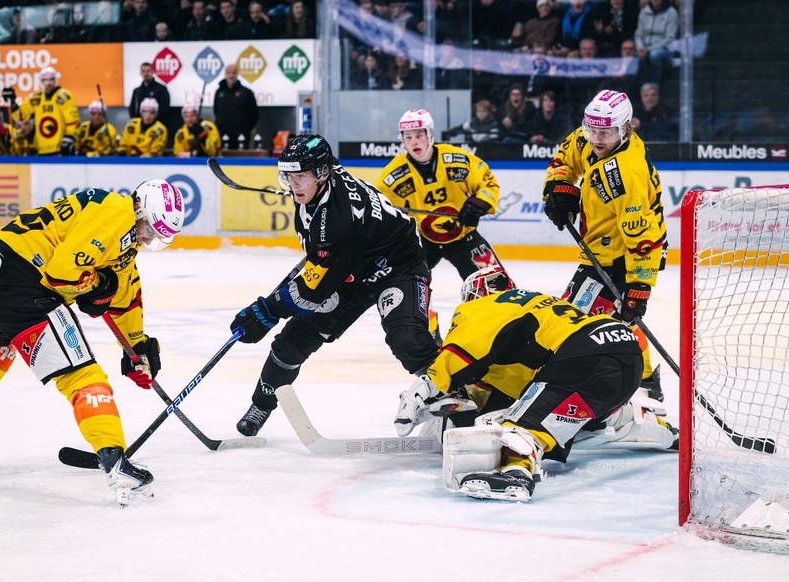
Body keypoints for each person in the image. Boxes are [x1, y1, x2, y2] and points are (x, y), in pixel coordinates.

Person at [0, 180, 185, 497]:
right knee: (82, 373)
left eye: (158, 235)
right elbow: (63, 273)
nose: (148, 237)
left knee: (6, 337)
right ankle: (115, 462)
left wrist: (136, 347)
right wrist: (97, 284)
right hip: (20, 282)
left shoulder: (122, 234)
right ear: (139, 207)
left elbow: (124, 297)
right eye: (149, 227)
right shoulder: (115, 213)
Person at [395, 266, 675, 501]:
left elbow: (461, 352)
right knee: (586, 414)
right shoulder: (534, 304)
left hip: (587, 354)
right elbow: (520, 382)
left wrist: (427, 386)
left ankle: (515, 476)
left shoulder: (486, 306)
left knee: (523, 424)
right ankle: (663, 430)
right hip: (622, 353)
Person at [231, 134, 438, 437]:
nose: (294, 185)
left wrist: (267, 310)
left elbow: (314, 291)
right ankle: (261, 403)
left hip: (398, 267)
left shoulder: (338, 221)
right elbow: (324, 268)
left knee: (408, 340)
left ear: (321, 173)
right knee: (292, 342)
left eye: (300, 177)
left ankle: (450, 395)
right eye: (288, 177)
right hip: (350, 269)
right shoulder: (324, 175)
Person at [542, 89, 667, 401]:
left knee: (583, 319)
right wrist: (559, 185)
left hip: (628, 255)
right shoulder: (592, 133)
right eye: (592, 130)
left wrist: (639, 286)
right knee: (605, 321)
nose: (597, 139)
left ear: (625, 128)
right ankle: (647, 380)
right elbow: (564, 157)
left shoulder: (627, 174)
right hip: (600, 245)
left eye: (606, 132)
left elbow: (643, 240)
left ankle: (643, 384)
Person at [378, 108, 504, 283]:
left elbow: (487, 183)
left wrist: (478, 204)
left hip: (462, 235)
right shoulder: (394, 174)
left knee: (496, 284)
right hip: (420, 241)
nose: (414, 142)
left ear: (430, 135)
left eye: (419, 135)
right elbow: (382, 209)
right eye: (408, 137)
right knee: (403, 285)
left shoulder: (456, 158)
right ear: (402, 140)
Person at [15, 66, 80, 156]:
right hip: (41, 150)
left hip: (60, 149)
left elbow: (73, 121)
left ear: (55, 80)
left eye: (51, 80)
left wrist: (69, 137)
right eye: (45, 80)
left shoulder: (64, 96)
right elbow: (20, 116)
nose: (48, 83)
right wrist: (13, 104)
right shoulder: (36, 98)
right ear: (41, 82)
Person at [213, 64, 259, 149]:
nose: (231, 75)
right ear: (225, 74)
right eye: (229, 73)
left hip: (241, 137)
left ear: (237, 75)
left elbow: (254, 114)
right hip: (222, 135)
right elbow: (216, 111)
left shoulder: (246, 92)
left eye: (233, 73)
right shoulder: (219, 92)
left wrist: (245, 129)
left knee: (241, 161)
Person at [634, 0, 678, 84]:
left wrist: (649, 49)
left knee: (654, 55)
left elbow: (670, 38)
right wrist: (640, 48)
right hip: (644, 48)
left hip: (665, 49)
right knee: (630, 55)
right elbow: (638, 35)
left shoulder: (671, 12)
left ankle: (654, 85)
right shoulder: (644, 12)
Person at [129, 62, 172, 130]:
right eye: (143, 71)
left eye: (148, 71)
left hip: (157, 126)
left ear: (153, 72)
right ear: (141, 73)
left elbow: (164, 109)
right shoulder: (137, 91)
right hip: (140, 127)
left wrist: (152, 121)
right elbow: (132, 109)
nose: (146, 73)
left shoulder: (161, 89)